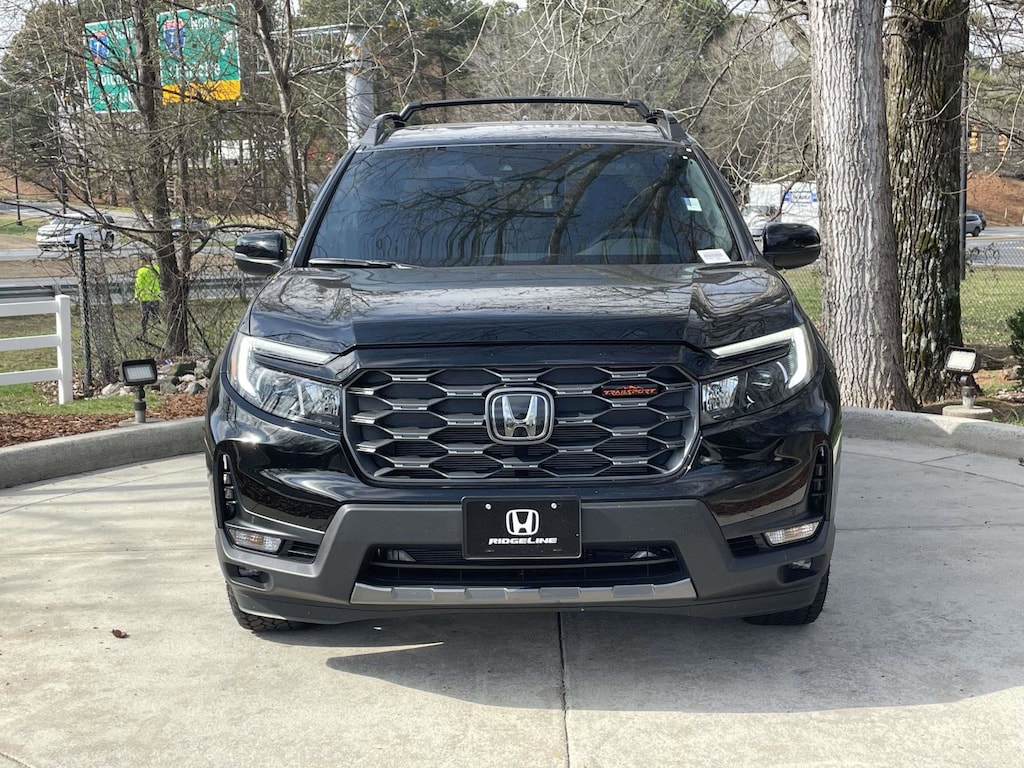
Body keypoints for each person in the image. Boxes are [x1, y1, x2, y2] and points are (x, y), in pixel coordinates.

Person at [134, 254, 162, 333]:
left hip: (145, 297)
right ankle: (157, 330)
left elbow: (138, 284)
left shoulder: (141, 271)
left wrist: (136, 295)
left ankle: (144, 331)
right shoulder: (156, 268)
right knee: (155, 314)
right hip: (155, 296)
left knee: (145, 315)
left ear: (144, 261)